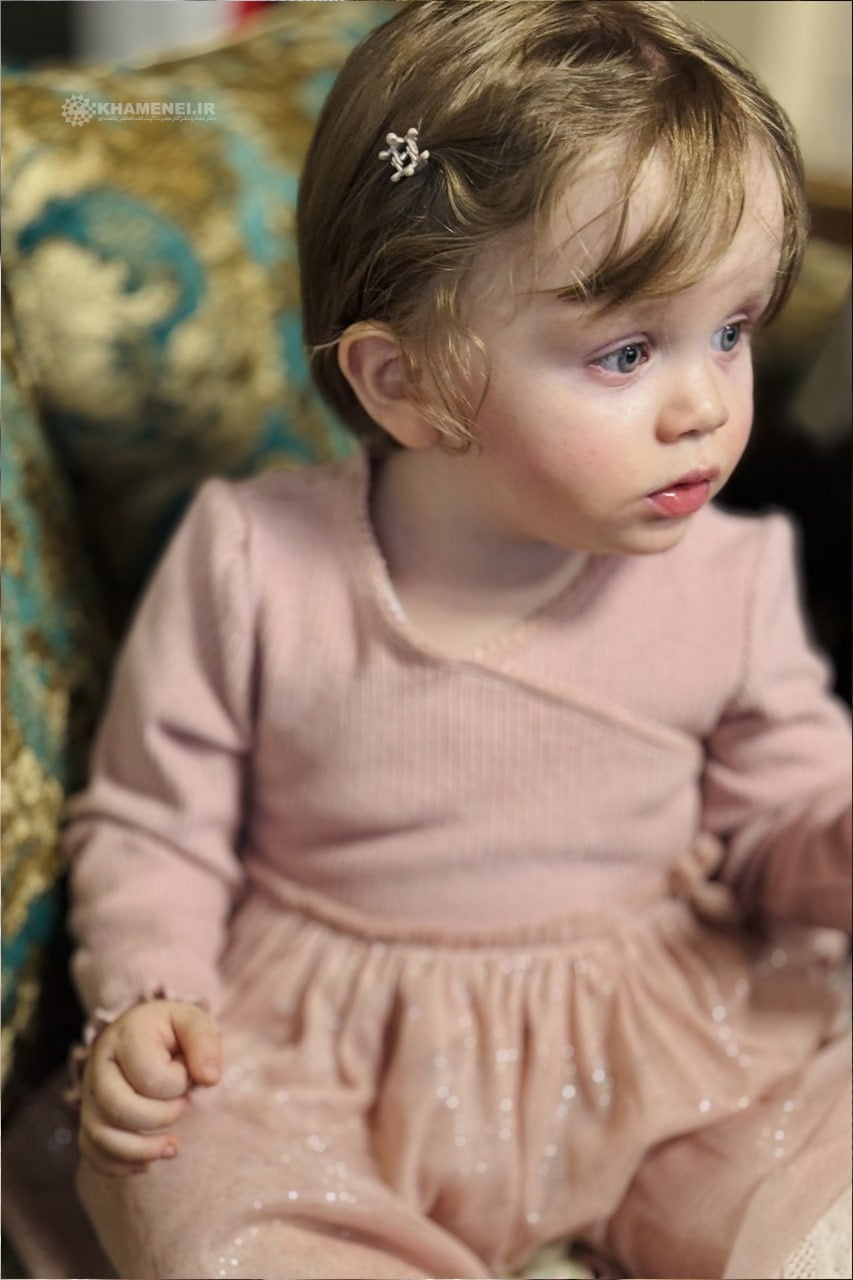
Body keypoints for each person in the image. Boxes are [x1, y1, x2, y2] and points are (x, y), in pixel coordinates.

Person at [66, 3, 852, 1277]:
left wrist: (836, 840)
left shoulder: (733, 575)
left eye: (732, 331)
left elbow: (784, 821)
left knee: (804, 1157)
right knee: (172, 1167)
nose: (706, 405)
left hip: (653, 1041)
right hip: (329, 1057)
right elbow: (156, 823)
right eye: (628, 351)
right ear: (407, 382)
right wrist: (151, 996)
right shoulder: (254, 562)